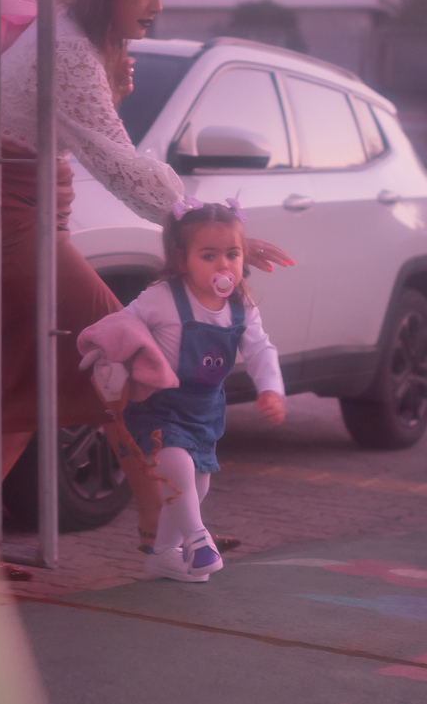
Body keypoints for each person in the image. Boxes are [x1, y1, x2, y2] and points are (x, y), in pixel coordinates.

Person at [0, 0, 292, 554]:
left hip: (5, 217)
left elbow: (70, 130)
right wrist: (213, 227)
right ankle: (161, 513)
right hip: (8, 222)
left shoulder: (74, 38)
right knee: (131, 348)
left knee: (28, 376)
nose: (157, 5)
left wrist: (114, 90)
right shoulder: (72, 51)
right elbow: (122, 166)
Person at [108, 199, 286, 581]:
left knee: (198, 481)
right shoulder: (162, 296)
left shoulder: (241, 305)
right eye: (209, 256)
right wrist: (120, 361)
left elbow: (259, 348)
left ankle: (163, 553)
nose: (224, 265)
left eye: (232, 254)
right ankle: (197, 538)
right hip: (157, 403)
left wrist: (270, 388)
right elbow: (123, 324)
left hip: (204, 408)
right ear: (181, 259)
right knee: (178, 465)